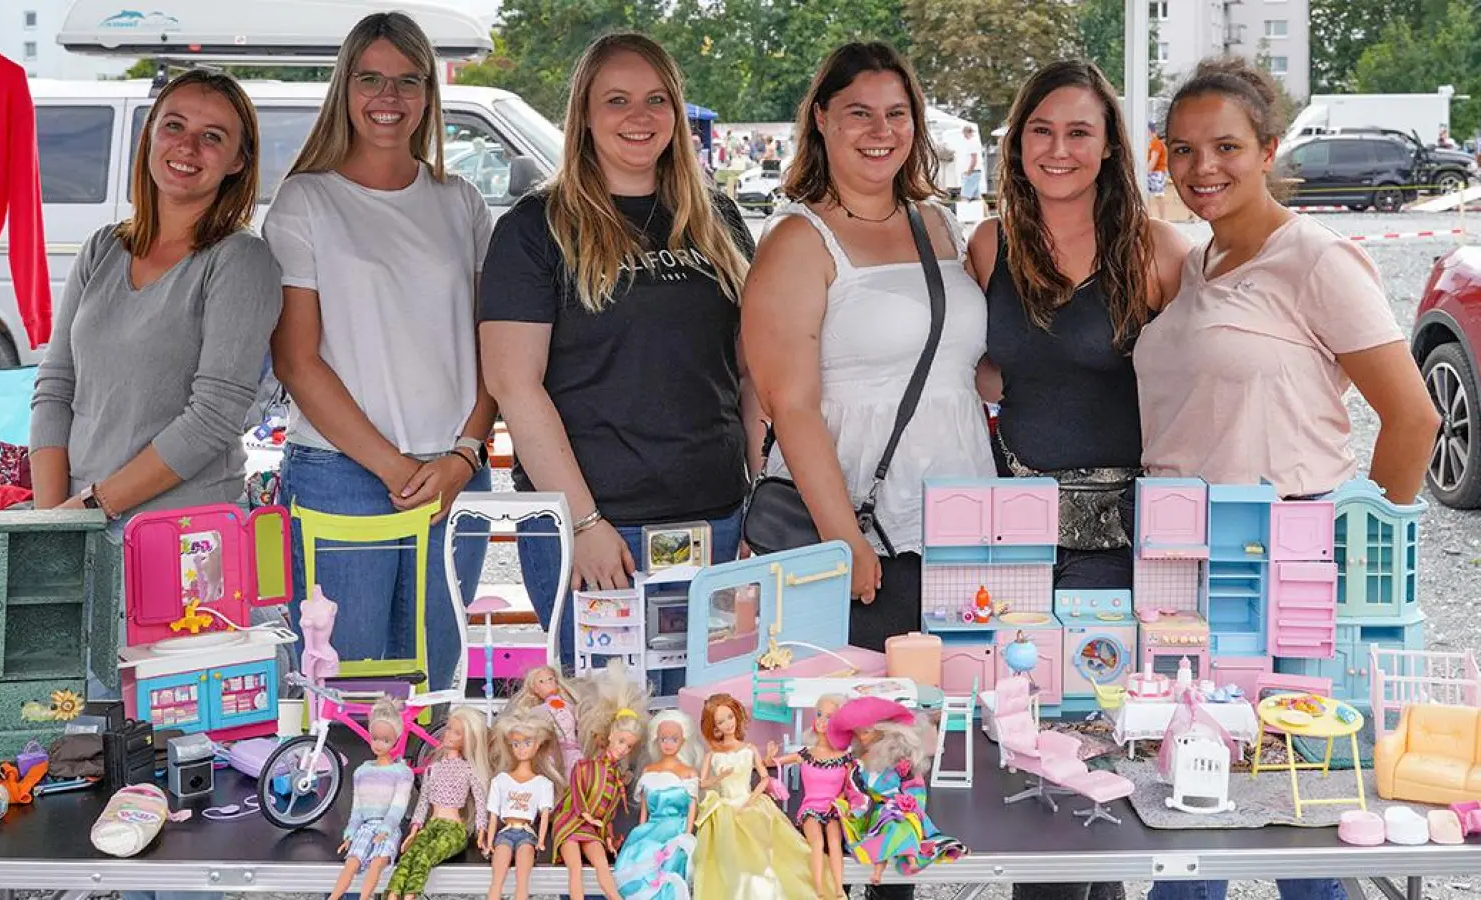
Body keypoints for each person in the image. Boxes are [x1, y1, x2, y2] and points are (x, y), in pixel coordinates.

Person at [1139, 56, 1441, 900]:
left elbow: (1414, 417)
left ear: (1269, 149)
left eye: (1227, 146)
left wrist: (1352, 547)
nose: (1205, 168)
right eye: (1184, 149)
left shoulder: (1315, 259)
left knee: (1291, 814)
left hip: (1279, 566)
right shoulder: (1200, 263)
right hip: (1183, 563)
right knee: (1192, 799)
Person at [742, 47, 995, 889]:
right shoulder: (797, 240)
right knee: (843, 756)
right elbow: (792, 405)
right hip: (858, 534)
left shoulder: (937, 223)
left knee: (919, 763)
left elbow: (962, 369)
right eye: (859, 112)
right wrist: (845, 538)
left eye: (896, 113)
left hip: (954, 527)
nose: (880, 131)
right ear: (821, 118)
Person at [29, 68, 281, 900]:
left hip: (187, 555)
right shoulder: (104, 247)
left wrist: (93, 504)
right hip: (86, 531)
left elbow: (215, 417)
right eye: (175, 126)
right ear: (148, 137)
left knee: (182, 761)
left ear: (239, 163)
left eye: (215, 137)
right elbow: (54, 385)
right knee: (97, 742)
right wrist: (48, 521)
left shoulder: (240, 264)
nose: (189, 148)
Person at [967, 58, 1188, 900]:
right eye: (1041, 130)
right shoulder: (989, 243)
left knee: (1100, 749)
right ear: (1018, 141)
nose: (1058, 149)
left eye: (1079, 132)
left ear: (1109, 147)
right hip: (1011, 531)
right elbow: (985, 368)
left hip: (1119, 541)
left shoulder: (1159, 252)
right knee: (1028, 754)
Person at [479, 32, 759, 667]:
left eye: (657, 99)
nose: (640, 117)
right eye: (618, 99)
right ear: (584, 112)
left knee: (719, 725)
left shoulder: (718, 218)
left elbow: (749, 375)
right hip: (602, 530)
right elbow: (514, 386)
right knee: (605, 732)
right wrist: (582, 523)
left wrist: (758, 506)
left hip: (716, 520)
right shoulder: (535, 227)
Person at [266, 11, 496, 691]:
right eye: (370, 79)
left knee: (435, 692)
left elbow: (494, 351)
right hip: (343, 475)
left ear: (429, 94)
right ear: (345, 88)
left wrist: (464, 453)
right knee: (345, 690)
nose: (388, 98)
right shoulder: (305, 201)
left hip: (455, 477)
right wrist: (396, 467)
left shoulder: (462, 203)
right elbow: (296, 361)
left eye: (407, 81)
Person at [1146, 122, 1170, 219]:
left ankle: (1162, 218)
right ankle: (1151, 216)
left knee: (1158, 195)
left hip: (1156, 172)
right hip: (1154, 172)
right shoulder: (1153, 143)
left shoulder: (1155, 143)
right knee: (1149, 195)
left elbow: (1153, 160)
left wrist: (1145, 172)